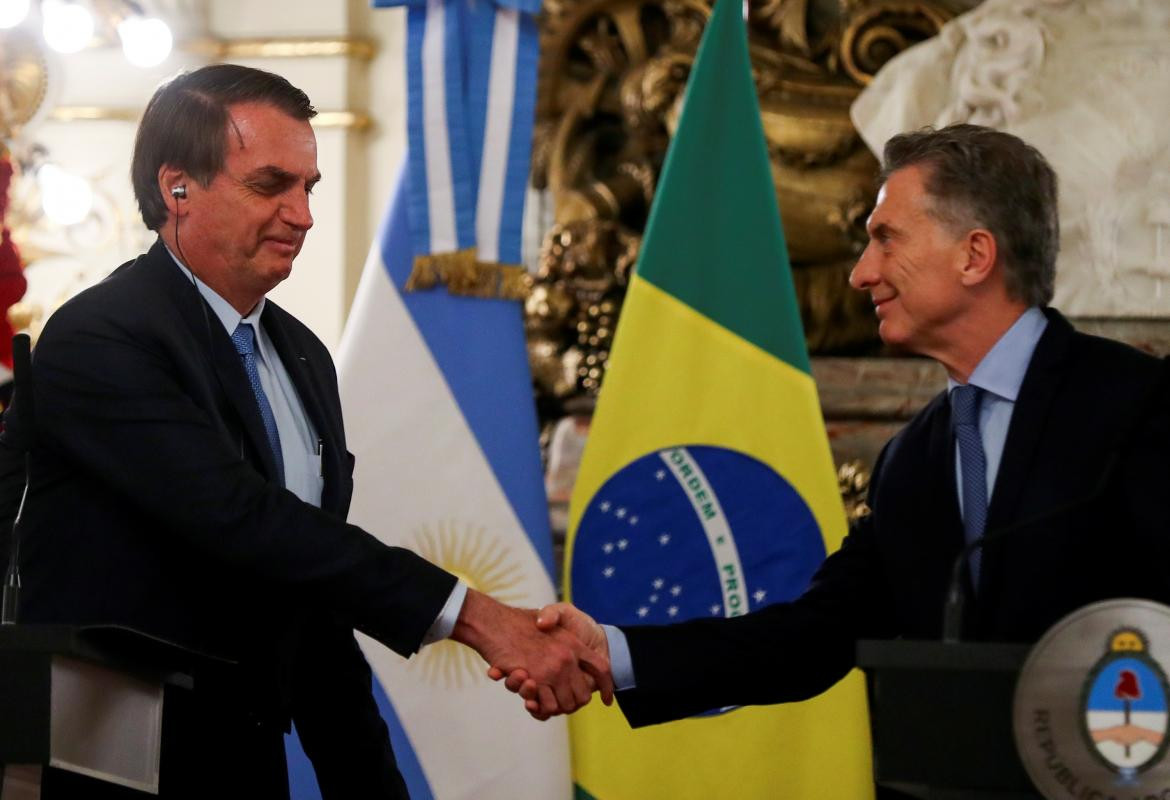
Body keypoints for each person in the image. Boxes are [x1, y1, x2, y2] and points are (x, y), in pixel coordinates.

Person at [0, 64, 610, 798]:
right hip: (107, 769)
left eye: (309, 187)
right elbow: (242, 519)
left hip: (246, 766)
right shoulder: (100, 337)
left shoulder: (304, 356)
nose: (303, 215)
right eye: (270, 185)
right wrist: (478, 618)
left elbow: (305, 590)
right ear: (177, 188)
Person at [499, 125, 1170, 732]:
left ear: (974, 256)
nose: (859, 274)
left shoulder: (1138, 405)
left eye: (886, 240)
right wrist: (612, 651)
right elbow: (813, 636)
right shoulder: (914, 459)